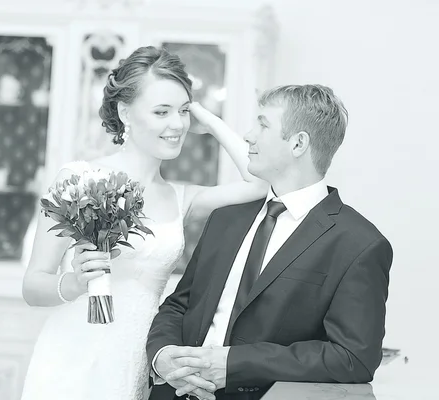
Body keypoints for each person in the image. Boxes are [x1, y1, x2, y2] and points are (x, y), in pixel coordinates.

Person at [20, 46, 268, 400]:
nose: (177, 124)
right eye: (161, 111)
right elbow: (33, 285)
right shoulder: (79, 178)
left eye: (183, 111)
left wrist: (210, 122)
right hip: (72, 360)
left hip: (135, 364)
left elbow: (259, 183)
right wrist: (75, 283)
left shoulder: (183, 198)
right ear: (125, 112)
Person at [147, 84, 393, 400]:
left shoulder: (359, 243)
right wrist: (163, 355)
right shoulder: (226, 219)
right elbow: (180, 304)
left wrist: (234, 364)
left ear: (299, 143)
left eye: (263, 124)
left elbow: (353, 358)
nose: (249, 135)